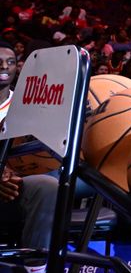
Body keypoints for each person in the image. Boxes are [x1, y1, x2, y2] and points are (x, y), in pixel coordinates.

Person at [0, 41, 59, 273]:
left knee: (48, 183)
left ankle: (36, 268)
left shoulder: (30, 105)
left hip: (14, 186)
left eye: (11, 62)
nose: (5, 66)